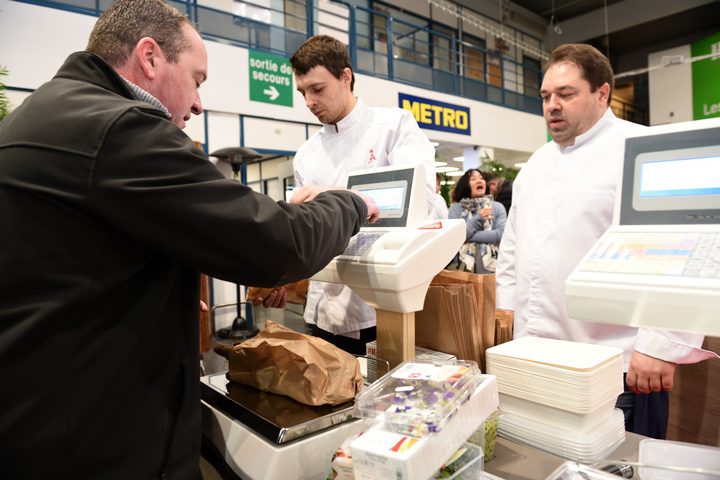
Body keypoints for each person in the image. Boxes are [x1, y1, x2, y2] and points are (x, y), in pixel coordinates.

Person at [0, 1, 379, 478]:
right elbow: (277, 244)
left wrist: (156, 289)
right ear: (150, 57)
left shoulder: (40, 114)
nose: (199, 102)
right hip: (94, 441)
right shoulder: (119, 128)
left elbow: (75, 261)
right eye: (197, 80)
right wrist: (348, 202)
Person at [495, 43, 717, 439]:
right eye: (546, 96)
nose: (552, 106)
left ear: (602, 93)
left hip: (617, 363)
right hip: (536, 357)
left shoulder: (642, 150)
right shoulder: (535, 165)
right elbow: (512, 248)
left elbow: (685, 248)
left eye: (566, 94)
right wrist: (505, 311)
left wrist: (659, 343)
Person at [287, 34, 436, 354]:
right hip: (318, 308)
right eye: (303, 92)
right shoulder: (306, 153)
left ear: (345, 77)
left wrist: (329, 195)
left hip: (377, 307)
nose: (309, 102)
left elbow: (417, 203)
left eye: (317, 89)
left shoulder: (393, 127)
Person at [448, 168, 506, 273]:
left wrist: (467, 237)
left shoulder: (497, 207)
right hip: (461, 270)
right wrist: (478, 218)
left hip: (493, 270)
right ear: (465, 185)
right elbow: (454, 237)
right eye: (473, 179)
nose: (479, 181)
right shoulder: (455, 209)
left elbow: (500, 235)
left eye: (481, 178)